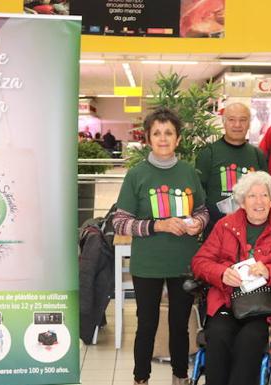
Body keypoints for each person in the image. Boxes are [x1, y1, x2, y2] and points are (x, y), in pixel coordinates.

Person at [191, 171, 271, 385]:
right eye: (252, 196)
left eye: (264, 195)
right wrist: (222, 274)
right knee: (218, 336)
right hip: (227, 301)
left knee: (249, 341)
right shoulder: (225, 226)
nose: (259, 201)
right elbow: (200, 262)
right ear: (242, 202)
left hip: (267, 307)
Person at [113, 108, 209, 385]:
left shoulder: (188, 173)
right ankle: (140, 378)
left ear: (178, 139)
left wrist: (198, 224)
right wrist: (159, 225)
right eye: (157, 133)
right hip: (148, 265)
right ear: (148, 138)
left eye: (168, 133)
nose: (163, 138)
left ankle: (181, 376)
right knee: (146, 326)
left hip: (183, 263)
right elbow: (120, 223)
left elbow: (202, 210)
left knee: (180, 326)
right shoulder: (137, 174)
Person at [196, 102, 268, 235]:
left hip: (250, 234)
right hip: (216, 233)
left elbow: (266, 195)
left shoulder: (258, 155)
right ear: (223, 122)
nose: (237, 125)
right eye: (232, 120)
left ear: (249, 123)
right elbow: (199, 198)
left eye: (243, 120)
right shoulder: (208, 154)